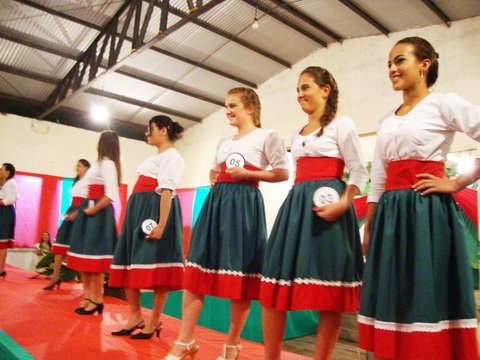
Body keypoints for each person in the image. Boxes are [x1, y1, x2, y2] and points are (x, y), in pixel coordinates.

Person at [358, 37, 480, 360]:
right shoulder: (386, 119)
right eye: (389, 64)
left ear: (424, 64)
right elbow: (380, 175)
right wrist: (370, 223)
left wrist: (458, 182)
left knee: (426, 293)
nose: (392, 69)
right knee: (393, 296)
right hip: (390, 216)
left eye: (399, 61)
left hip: (428, 212)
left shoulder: (443, 104)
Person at [165, 87, 289, 360]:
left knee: (241, 276)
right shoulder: (223, 142)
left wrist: (247, 173)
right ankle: (184, 340)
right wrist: (213, 177)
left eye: (233, 105)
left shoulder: (268, 136)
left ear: (250, 108)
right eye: (226, 106)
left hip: (244, 205)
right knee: (197, 269)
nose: (228, 111)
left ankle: (232, 346)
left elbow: (282, 172)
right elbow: (214, 168)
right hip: (217, 203)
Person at [259, 66, 368, 360]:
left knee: (329, 295)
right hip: (296, 209)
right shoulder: (296, 133)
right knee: (275, 287)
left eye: (305, 87)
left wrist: (344, 203)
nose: (300, 95)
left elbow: (359, 171)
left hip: (330, 214)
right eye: (297, 89)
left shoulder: (342, 125)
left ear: (325, 90)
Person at [109, 115, 186, 339]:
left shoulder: (172, 156)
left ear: (164, 130)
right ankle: (135, 316)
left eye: (150, 129)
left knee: (158, 265)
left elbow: (167, 191)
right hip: (138, 211)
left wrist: (162, 224)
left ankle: (154, 320)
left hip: (154, 211)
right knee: (129, 261)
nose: (147, 133)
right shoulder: (156, 156)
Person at [68, 131, 121, 315]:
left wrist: (94, 209)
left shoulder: (108, 164)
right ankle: (88, 297)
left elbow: (111, 194)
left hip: (98, 213)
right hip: (89, 209)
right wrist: (80, 211)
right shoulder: (99, 163)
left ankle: (97, 299)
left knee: (95, 260)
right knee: (85, 258)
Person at [44, 159, 90, 290]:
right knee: (60, 243)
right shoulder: (76, 182)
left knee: (78, 247)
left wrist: (77, 213)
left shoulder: (88, 182)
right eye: (77, 165)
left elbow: (87, 201)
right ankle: (55, 277)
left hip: (80, 213)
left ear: (87, 168)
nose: (77, 168)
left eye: (80, 166)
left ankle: (84, 279)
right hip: (71, 211)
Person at [0, 163, 19, 280]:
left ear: (8, 171)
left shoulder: (11, 183)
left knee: (2, 242)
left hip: (5, 212)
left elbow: (11, 199)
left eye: (2, 169)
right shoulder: (4, 183)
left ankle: (1, 269)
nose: (0, 171)